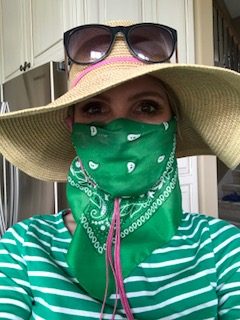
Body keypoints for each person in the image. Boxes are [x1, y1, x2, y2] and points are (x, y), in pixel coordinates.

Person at [0, 21, 240, 320]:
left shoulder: (221, 247)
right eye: (95, 109)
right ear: (72, 127)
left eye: (147, 108)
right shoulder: (23, 246)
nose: (120, 128)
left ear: (173, 128)